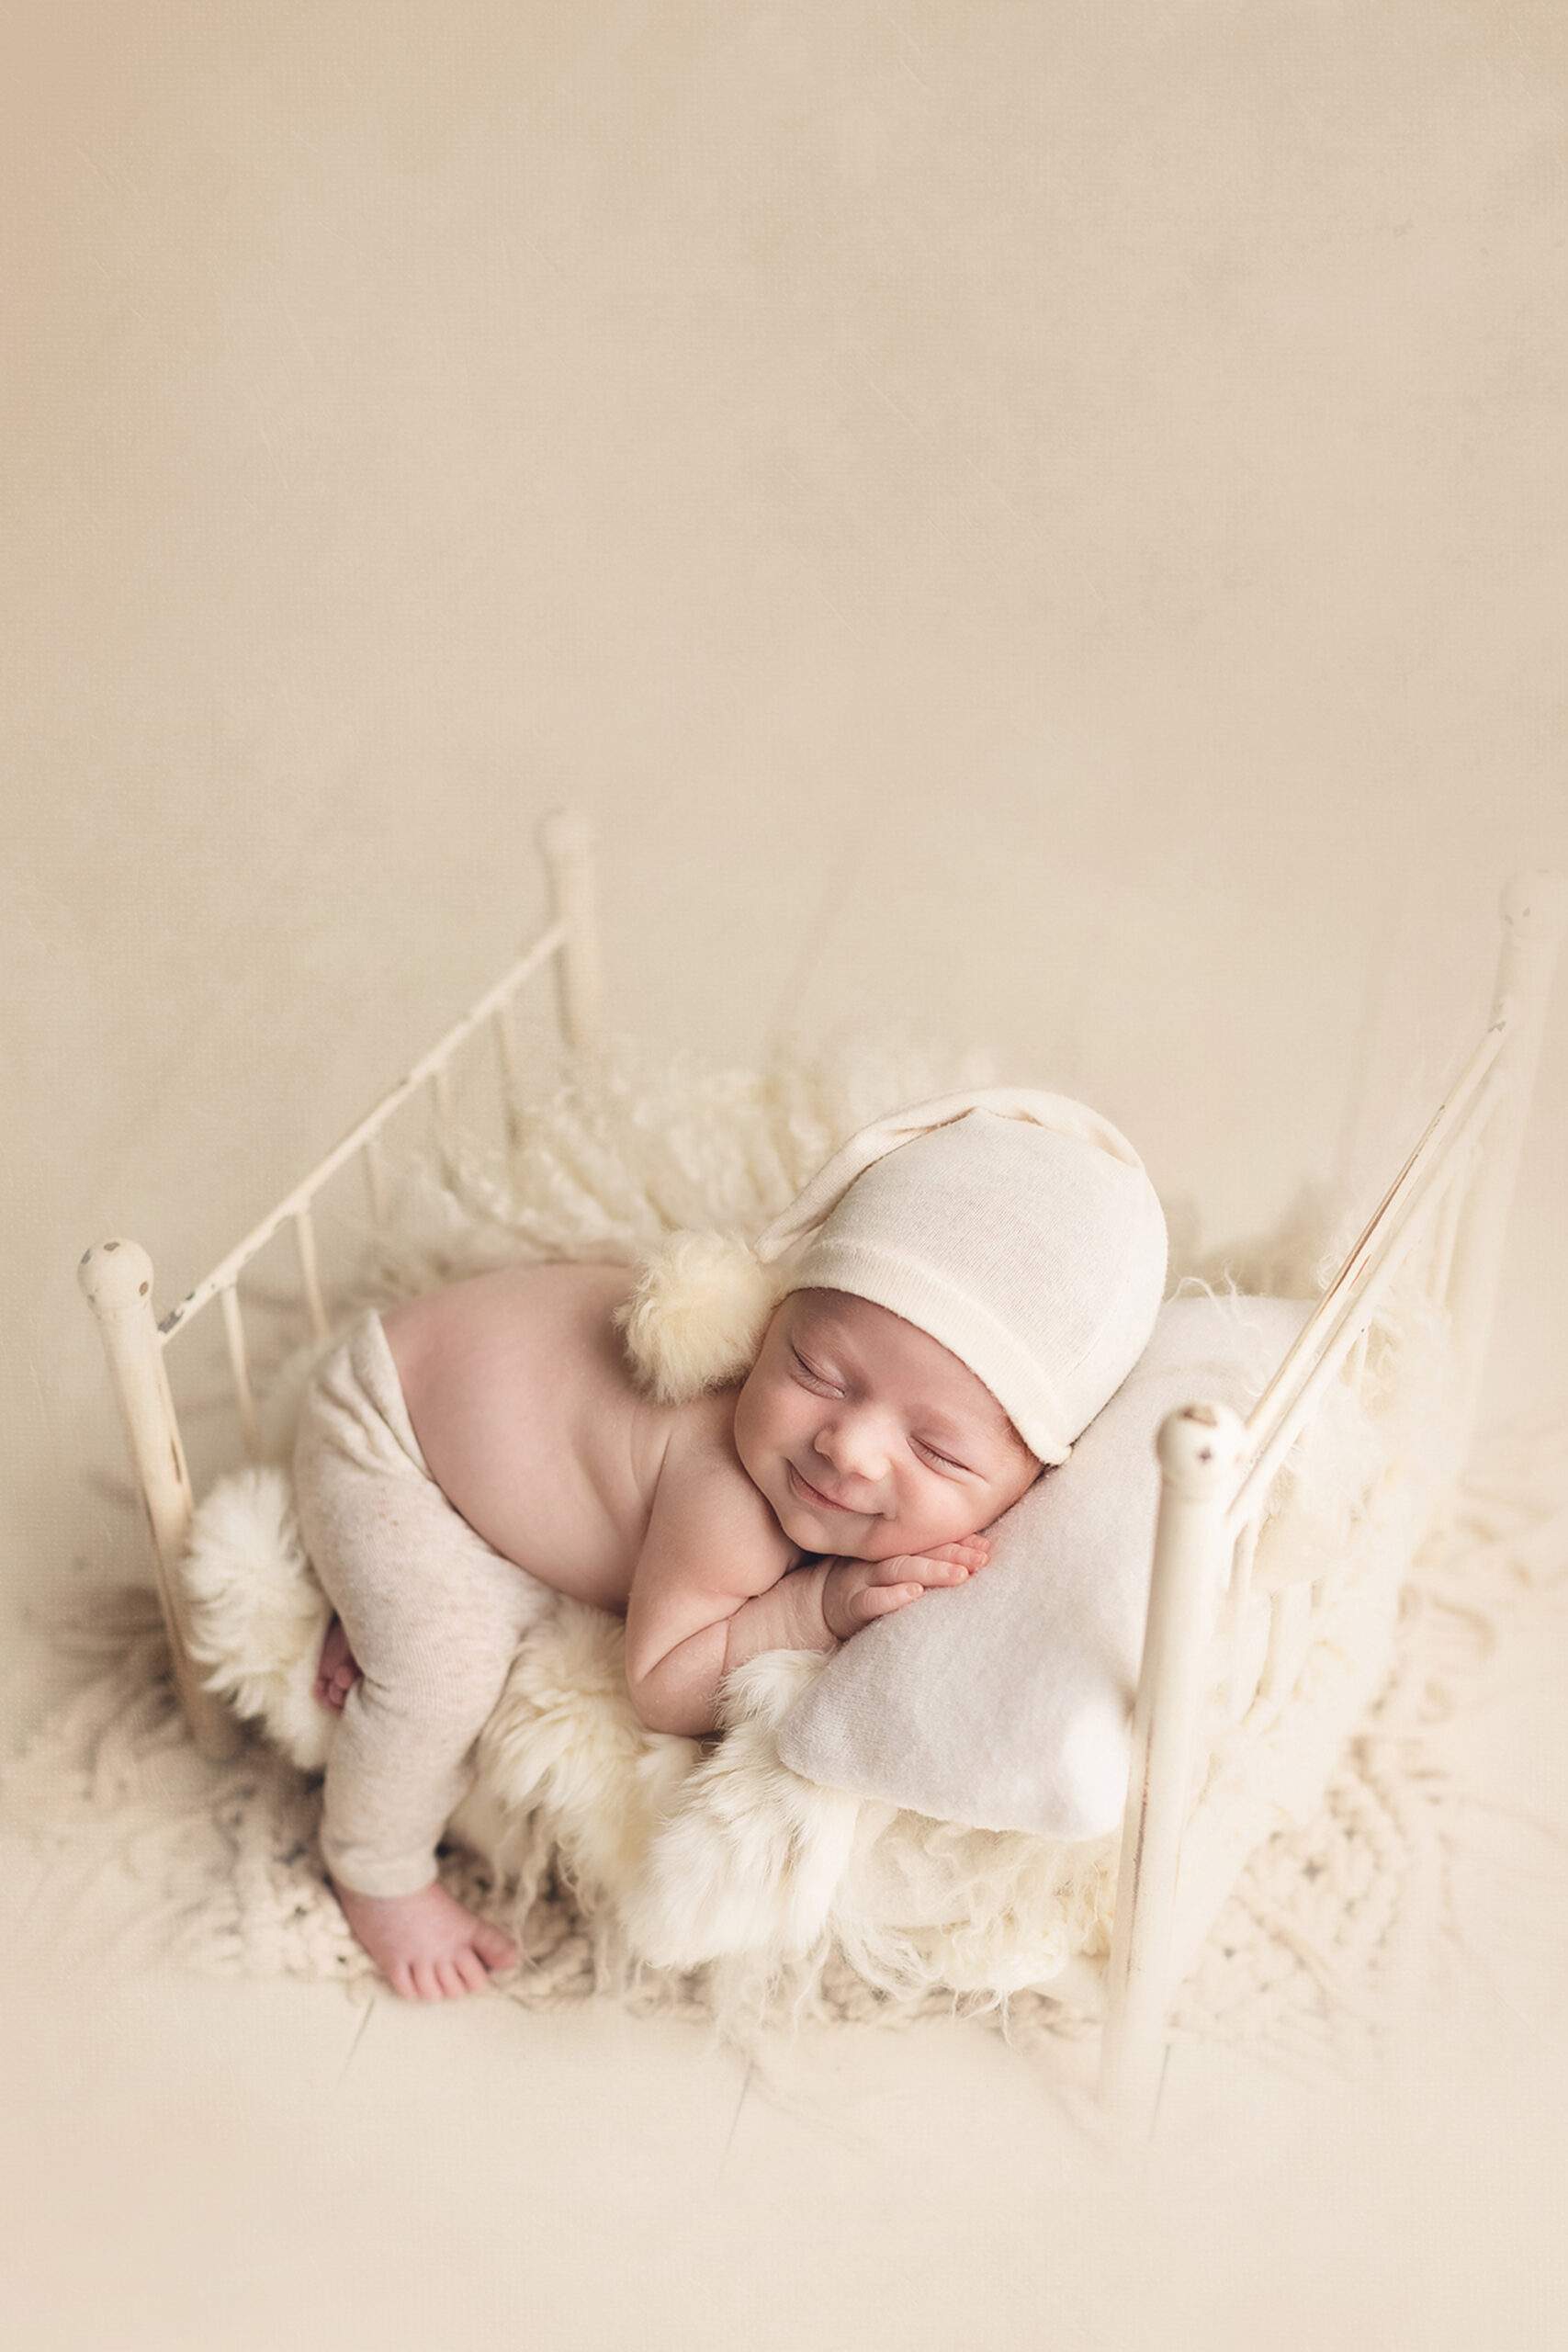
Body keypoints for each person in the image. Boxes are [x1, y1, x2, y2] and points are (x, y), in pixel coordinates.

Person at [291, 1088, 1168, 2001]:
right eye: (817, 1373)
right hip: (391, 1433)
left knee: (491, 1567)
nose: (850, 1448)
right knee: (442, 1663)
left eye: (936, 1449)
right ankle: (375, 1869)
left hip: (484, 1390)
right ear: (773, 1324)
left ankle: (372, 1582)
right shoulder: (732, 1500)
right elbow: (663, 1682)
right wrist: (812, 1608)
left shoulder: (863, 1454)